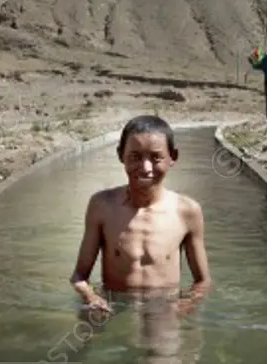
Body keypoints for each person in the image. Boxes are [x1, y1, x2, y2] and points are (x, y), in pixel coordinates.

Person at [70, 115, 212, 314]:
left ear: (173, 157)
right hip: (112, 310)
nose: (146, 168)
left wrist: (184, 307)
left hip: (165, 311)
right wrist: (91, 297)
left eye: (156, 157)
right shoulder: (102, 206)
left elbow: (203, 282)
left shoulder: (187, 212)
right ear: (121, 155)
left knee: (165, 345)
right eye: (135, 157)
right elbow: (79, 276)